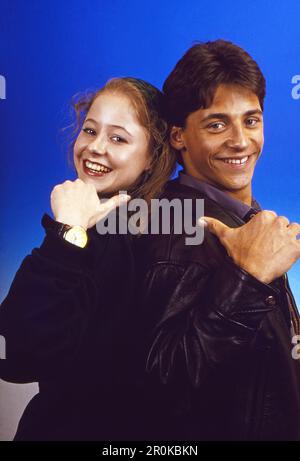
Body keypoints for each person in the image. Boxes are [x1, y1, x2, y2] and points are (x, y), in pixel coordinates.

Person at [134, 40, 300, 441]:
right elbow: (164, 383)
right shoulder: (181, 233)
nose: (241, 141)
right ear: (178, 136)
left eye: (251, 120)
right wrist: (249, 278)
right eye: (216, 124)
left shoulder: (236, 219)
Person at [0, 77, 176, 440]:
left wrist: (67, 234)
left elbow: (20, 356)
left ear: (152, 157)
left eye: (118, 138)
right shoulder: (129, 224)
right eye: (89, 130)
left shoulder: (117, 241)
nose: (94, 148)